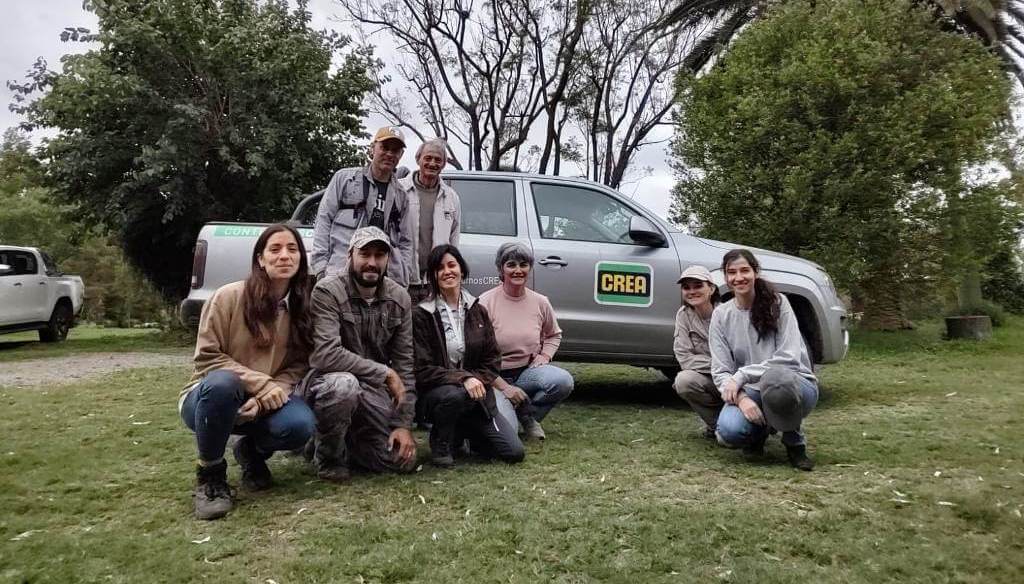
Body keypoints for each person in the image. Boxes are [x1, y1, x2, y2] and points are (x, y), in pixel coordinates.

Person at [179, 223, 316, 520]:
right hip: (209, 399)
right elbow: (207, 357)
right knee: (223, 385)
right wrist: (261, 384)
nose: (284, 256)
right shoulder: (228, 297)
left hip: (265, 403)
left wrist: (273, 391)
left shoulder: (302, 308)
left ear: (301, 260)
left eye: (292, 250)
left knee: (301, 425)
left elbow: (298, 365)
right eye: (275, 249)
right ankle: (211, 475)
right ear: (260, 259)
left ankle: (251, 452)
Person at [299, 226, 418, 482]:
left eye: (379, 255)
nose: (372, 263)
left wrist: (402, 424)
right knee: (345, 386)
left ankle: (339, 439)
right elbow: (326, 355)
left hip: (372, 390)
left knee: (401, 461)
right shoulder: (327, 291)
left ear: (388, 260)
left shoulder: (400, 298)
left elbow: (405, 364)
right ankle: (329, 458)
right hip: (328, 382)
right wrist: (384, 372)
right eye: (365, 254)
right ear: (350, 255)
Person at [413, 244, 525, 468]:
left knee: (513, 452)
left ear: (462, 270)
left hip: (478, 398)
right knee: (454, 396)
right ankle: (442, 441)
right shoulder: (421, 314)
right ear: (433, 276)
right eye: (440, 268)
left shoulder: (477, 310)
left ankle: (463, 430)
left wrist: (475, 382)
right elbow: (422, 369)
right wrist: (464, 378)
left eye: (452, 265)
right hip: (438, 395)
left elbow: (492, 361)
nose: (447, 272)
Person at [709, 249, 819, 471]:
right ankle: (759, 432)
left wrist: (741, 375)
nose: (738, 277)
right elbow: (720, 370)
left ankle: (794, 443)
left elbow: (787, 359)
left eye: (744, 270)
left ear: (756, 271)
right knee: (729, 433)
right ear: (725, 277)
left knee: (777, 380)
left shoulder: (779, 303)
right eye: (732, 272)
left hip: (794, 384)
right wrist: (741, 399)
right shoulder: (720, 315)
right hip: (752, 389)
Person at [480, 242, 574, 441]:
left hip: (526, 372)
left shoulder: (540, 302)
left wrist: (545, 355)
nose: (518, 270)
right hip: (495, 378)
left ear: (530, 268)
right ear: (500, 269)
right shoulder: (485, 303)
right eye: (511, 265)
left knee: (563, 381)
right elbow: (476, 355)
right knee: (509, 433)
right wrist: (504, 388)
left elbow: (554, 334)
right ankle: (511, 417)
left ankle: (528, 416)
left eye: (523, 265)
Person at [311, 126, 414, 285]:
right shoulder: (344, 179)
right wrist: (320, 268)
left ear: (401, 155)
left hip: (381, 280)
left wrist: (403, 273)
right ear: (372, 148)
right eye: (384, 147)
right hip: (339, 274)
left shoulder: (402, 196)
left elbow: (406, 242)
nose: (389, 154)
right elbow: (323, 221)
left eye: (395, 150)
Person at [398, 138, 462, 305]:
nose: (432, 163)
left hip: (434, 281)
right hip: (403, 279)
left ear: (443, 164)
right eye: (428, 158)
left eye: (438, 160)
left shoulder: (451, 197)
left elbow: (454, 239)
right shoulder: (399, 190)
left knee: (433, 328)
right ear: (418, 159)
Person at [671, 265, 723, 439]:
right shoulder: (683, 315)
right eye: (686, 287)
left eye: (698, 285)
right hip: (711, 378)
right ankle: (716, 425)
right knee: (684, 380)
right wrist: (719, 364)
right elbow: (684, 358)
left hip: (735, 380)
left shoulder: (727, 313)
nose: (691, 291)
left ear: (712, 288)